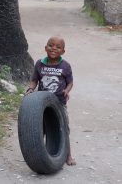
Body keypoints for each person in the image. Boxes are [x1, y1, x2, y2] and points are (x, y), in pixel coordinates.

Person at [26, 36, 76, 166]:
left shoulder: (65, 66)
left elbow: (70, 82)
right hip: (41, 103)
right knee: (39, 128)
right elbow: (34, 80)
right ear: (45, 48)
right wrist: (30, 89)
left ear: (63, 51)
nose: (54, 48)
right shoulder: (39, 64)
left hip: (59, 101)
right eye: (51, 45)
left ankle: (68, 155)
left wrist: (67, 90)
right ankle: (38, 153)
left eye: (58, 47)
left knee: (63, 127)